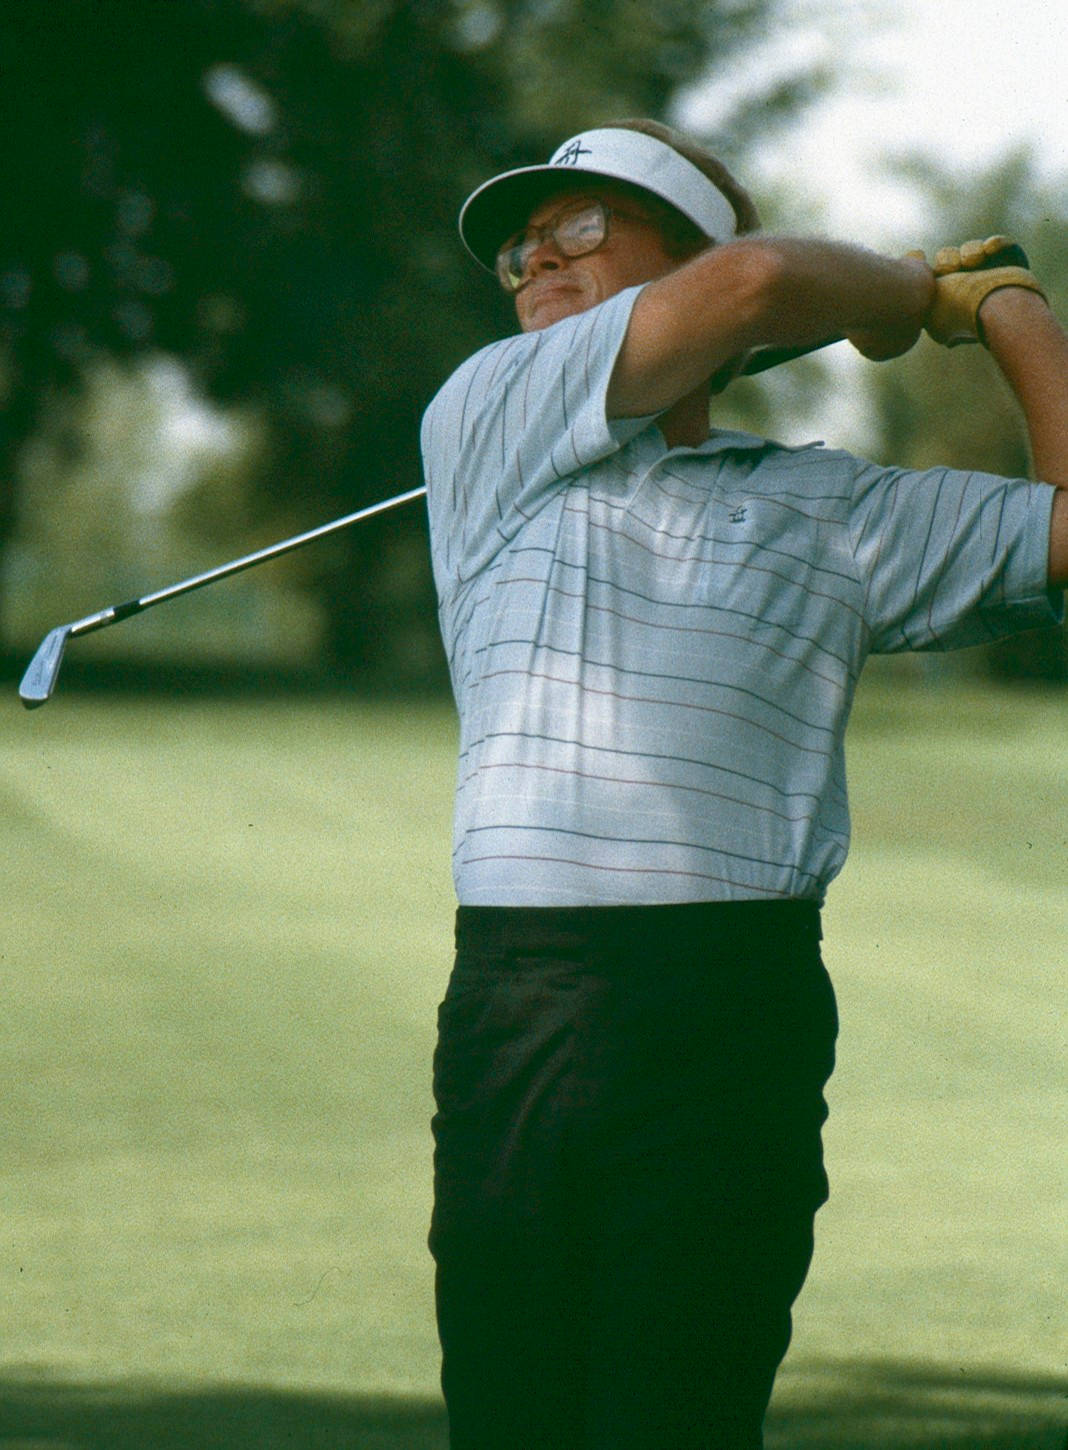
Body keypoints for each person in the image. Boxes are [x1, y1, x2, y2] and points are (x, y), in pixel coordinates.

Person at [418, 118, 1068, 1449]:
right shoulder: (487, 414)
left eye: (582, 228)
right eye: (519, 250)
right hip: (526, 995)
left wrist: (1008, 308)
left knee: (682, 1417)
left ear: (688, 259)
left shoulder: (828, 506)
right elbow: (764, 289)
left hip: (735, 1014)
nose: (534, 257)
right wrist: (905, 298)